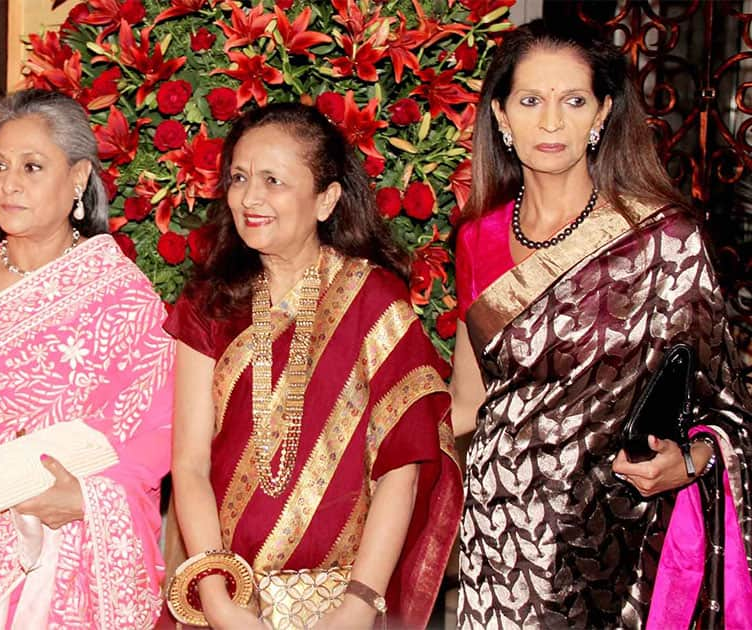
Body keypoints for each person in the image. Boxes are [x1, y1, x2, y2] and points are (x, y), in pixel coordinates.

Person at [451, 19, 752, 628]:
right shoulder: (475, 238)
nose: (553, 121)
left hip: (621, 543)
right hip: (501, 540)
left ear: (602, 113)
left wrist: (689, 462)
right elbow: (465, 404)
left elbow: (728, 406)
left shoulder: (665, 239)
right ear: (502, 117)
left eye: (574, 100)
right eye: (531, 101)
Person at [165, 102, 461, 629]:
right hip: (228, 599)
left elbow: (402, 468)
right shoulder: (208, 304)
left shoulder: (374, 303)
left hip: (341, 605)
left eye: (273, 180)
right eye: (239, 177)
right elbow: (189, 465)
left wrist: (359, 603)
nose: (250, 197)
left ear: (326, 200)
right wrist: (216, 596)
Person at [0, 89, 173, 629]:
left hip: (80, 555)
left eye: (32, 166)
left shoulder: (119, 293)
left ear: (77, 178)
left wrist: (86, 496)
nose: (9, 183)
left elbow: (162, 428)